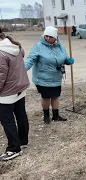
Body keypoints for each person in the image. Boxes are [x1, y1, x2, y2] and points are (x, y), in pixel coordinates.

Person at [24, 26, 74, 124]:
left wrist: (67, 60)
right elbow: (30, 59)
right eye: (46, 36)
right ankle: (46, 116)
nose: (47, 38)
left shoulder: (60, 46)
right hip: (43, 78)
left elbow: (64, 57)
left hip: (56, 77)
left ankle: (56, 115)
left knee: (55, 96)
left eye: (50, 37)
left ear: (55, 37)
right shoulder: (39, 46)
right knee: (46, 97)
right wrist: (21, 69)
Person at [0, 28, 30, 161]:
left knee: (7, 119)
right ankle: (23, 141)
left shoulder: (1, 52)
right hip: (19, 87)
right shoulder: (13, 45)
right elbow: (21, 55)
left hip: (7, 92)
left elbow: (1, 77)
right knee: (20, 114)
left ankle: (14, 148)